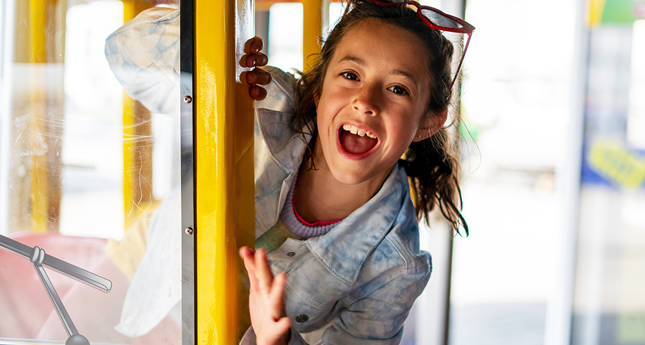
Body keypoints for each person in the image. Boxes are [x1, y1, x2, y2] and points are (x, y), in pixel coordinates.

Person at [105, 0, 472, 344]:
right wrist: (218, 54)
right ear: (319, 88)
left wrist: (279, 340)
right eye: (349, 74)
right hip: (137, 273)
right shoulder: (261, 99)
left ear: (428, 122)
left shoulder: (396, 267)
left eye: (397, 88)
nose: (365, 101)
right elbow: (123, 51)